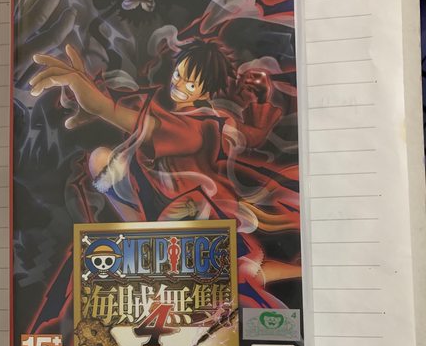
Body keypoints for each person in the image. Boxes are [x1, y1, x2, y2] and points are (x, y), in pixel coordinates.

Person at [30, 39, 301, 301]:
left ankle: (298, 271)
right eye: (178, 75)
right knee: (102, 160)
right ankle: (145, 240)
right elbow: (249, 134)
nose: (179, 85)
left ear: (205, 92)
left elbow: (119, 113)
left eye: (190, 83)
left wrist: (94, 101)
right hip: (168, 204)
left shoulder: (193, 127)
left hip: (194, 213)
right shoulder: (212, 119)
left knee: (240, 272)